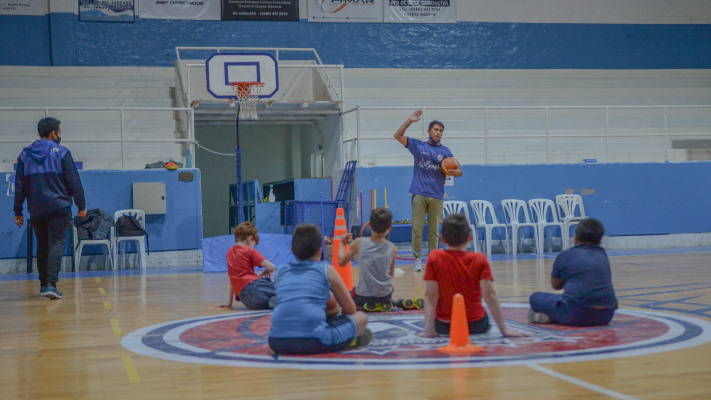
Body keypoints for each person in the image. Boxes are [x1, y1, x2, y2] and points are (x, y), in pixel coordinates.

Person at [268, 224, 372, 355]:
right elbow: (350, 309)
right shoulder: (326, 270)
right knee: (361, 317)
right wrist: (334, 312)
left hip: (277, 341)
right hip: (314, 340)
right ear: (319, 252)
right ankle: (347, 339)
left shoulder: (281, 271)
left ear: (292, 250)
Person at [14, 117, 87, 300]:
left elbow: (20, 185)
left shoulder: (25, 155)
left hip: (37, 210)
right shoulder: (62, 152)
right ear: (53, 133)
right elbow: (73, 181)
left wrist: (18, 212)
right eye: (59, 132)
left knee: (43, 246)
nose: (60, 135)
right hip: (59, 207)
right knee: (56, 243)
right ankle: (51, 285)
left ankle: (43, 283)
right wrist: (81, 205)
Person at [420, 213, 526, 338]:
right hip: (475, 325)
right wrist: (504, 330)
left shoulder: (434, 257)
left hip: (444, 326)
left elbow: (431, 295)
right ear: (469, 238)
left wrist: (429, 331)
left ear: (442, 239)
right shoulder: (479, 259)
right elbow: (489, 294)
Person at [394, 109, 462, 272]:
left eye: (440, 130)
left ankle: (433, 260)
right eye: (435, 129)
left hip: (437, 196)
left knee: (434, 231)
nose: (438, 132)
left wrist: (457, 172)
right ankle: (417, 259)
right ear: (429, 131)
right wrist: (409, 121)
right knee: (417, 229)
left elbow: (458, 171)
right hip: (419, 194)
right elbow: (397, 136)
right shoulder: (418, 146)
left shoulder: (446, 152)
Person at [528, 218, 618, 326]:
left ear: (575, 239)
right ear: (600, 242)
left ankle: (550, 316)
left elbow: (555, 285)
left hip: (575, 313)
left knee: (535, 298)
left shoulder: (565, 255)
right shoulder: (603, 255)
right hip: (606, 315)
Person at [338, 207, 398, 312]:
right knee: (387, 293)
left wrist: (342, 244)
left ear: (369, 225)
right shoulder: (393, 248)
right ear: (390, 228)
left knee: (345, 299)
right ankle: (392, 302)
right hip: (385, 294)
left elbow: (341, 262)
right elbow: (391, 274)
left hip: (363, 295)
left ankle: (360, 306)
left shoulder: (358, 243)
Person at [220, 222, 277, 310]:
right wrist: (265, 273)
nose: (254, 248)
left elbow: (232, 279)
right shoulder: (249, 251)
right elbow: (271, 267)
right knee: (281, 287)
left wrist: (229, 303)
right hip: (254, 287)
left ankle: (275, 301)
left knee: (272, 301)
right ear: (250, 239)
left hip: (246, 300)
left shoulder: (229, 252)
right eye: (254, 245)